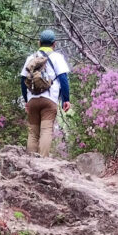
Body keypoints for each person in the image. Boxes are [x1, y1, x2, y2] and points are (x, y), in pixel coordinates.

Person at [21, 29, 70, 157]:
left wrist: (27, 101)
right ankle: (43, 163)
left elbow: (23, 80)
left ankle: (30, 163)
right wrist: (66, 100)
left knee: (33, 132)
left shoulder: (31, 58)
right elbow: (63, 79)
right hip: (50, 100)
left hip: (33, 99)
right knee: (46, 131)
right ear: (54, 44)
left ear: (39, 43)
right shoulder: (57, 57)